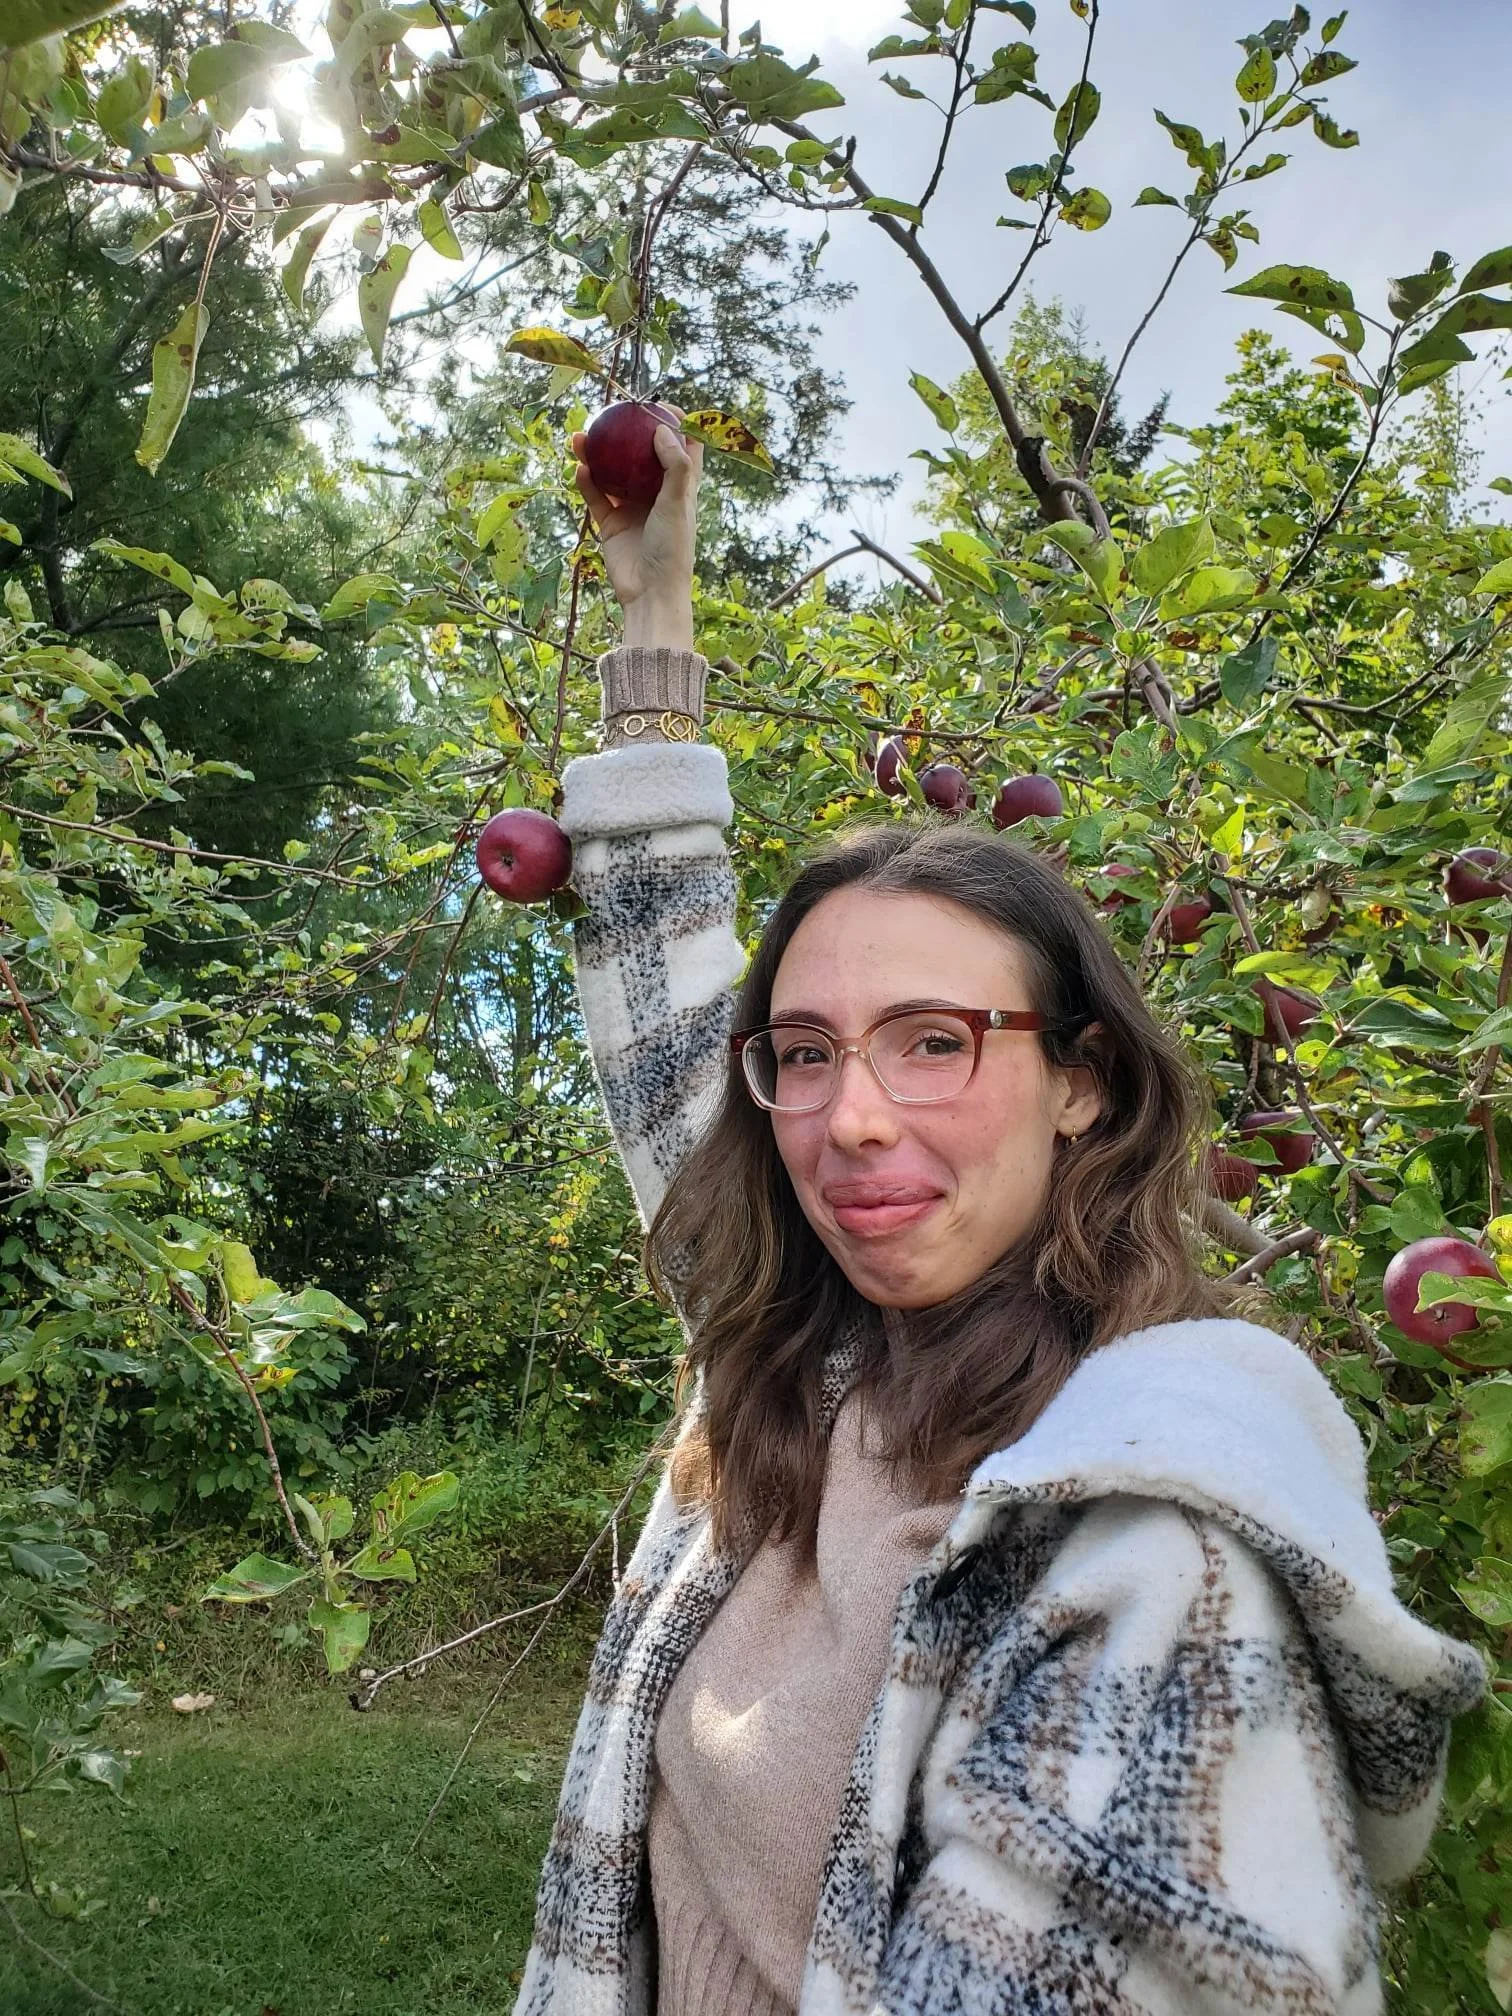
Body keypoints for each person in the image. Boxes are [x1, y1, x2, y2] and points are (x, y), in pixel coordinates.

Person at [511, 421, 1486, 2016]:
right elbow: (669, 1020)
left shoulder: (1146, 1554)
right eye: (807, 1054)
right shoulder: (790, 1353)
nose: (854, 1115)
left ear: (1085, 1084)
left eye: (936, 1040)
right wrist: (653, 615)